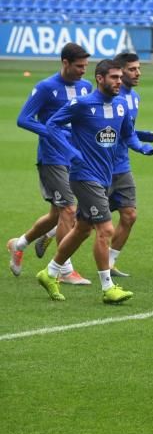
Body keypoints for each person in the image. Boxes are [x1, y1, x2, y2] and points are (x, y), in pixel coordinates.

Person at [35, 59, 153, 304]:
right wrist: (68, 150)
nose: (118, 82)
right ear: (99, 78)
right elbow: (51, 125)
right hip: (83, 175)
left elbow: (127, 134)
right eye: (113, 77)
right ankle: (108, 288)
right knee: (106, 229)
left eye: (120, 78)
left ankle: (50, 273)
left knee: (82, 229)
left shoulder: (121, 105)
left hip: (108, 175)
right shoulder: (82, 104)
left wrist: (140, 146)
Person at [9, 43, 93, 285]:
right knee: (68, 209)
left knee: (57, 214)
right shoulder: (46, 88)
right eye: (79, 66)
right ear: (65, 63)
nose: (83, 71)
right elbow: (23, 119)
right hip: (52, 157)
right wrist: (52, 132)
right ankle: (64, 270)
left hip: (76, 155)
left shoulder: (85, 87)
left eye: (86, 66)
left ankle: (20, 243)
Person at [106, 52, 153, 278]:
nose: (138, 73)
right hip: (102, 166)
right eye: (133, 69)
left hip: (122, 165)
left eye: (139, 68)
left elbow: (126, 131)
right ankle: (59, 261)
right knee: (84, 222)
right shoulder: (108, 97)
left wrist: (141, 136)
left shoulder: (134, 98)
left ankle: (109, 263)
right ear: (119, 72)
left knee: (129, 215)